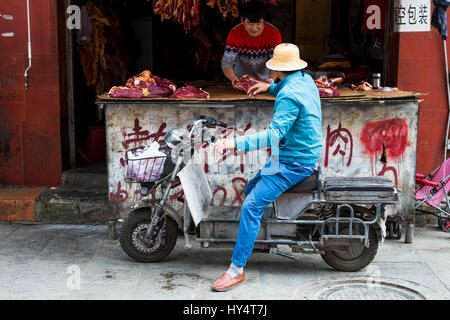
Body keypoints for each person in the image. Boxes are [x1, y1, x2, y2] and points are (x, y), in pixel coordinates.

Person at [212, 43, 322, 292]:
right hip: (296, 155)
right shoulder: (304, 80)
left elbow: (273, 135)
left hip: (293, 163)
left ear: (278, 69)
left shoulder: (289, 95)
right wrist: (269, 88)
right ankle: (257, 240)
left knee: (251, 205)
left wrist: (233, 143)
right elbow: (287, 90)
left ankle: (236, 270)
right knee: (252, 189)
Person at [221, 1, 282, 86]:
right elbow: (227, 62)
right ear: (242, 20)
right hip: (240, 80)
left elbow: (277, 62)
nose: (254, 28)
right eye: (250, 23)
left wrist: (270, 82)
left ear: (263, 21)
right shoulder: (234, 33)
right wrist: (233, 78)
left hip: (266, 81)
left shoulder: (274, 34)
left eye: (258, 23)